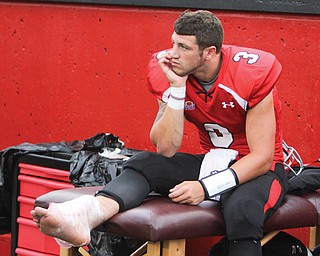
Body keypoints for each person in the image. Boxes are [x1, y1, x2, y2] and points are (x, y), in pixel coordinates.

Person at [31, 10, 288, 256]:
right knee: (145, 163)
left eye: (184, 48)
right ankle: (88, 214)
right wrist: (177, 90)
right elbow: (165, 148)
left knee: (242, 211)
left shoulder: (251, 73)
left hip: (258, 169)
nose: (172, 54)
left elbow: (262, 157)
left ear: (209, 52)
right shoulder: (169, 71)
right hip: (214, 161)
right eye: (173, 43)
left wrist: (205, 187)